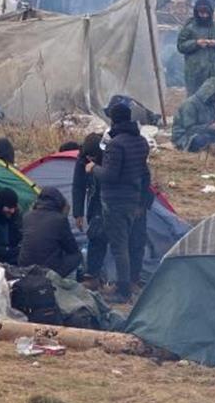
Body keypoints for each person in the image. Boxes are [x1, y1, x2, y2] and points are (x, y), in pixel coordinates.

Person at [88, 104, 151, 302]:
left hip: (115, 202)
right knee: (128, 244)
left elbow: (110, 175)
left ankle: (122, 291)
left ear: (114, 120)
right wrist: (142, 202)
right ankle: (128, 283)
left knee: (119, 246)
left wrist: (93, 168)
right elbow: (144, 174)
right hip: (133, 200)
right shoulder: (141, 142)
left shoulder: (116, 145)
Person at [18, 186, 82, 279]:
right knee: (77, 256)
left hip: (25, 267)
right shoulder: (60, 220)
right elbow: (72, 249)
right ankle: (62, 282)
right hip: (48, 270)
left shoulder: (27, 216)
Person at [70, 133, 108, 288]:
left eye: (94, 157)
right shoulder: (82, 159)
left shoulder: (109, 156)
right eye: (88, 157)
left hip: (112, 201)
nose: (90, 160)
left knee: (117, 240)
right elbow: (78, 186)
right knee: (95, 234)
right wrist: (78, 213)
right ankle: (93, 275)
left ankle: (122, 280)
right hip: (94, 202)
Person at [176, 0, 215, 96]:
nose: (204, 16)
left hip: (213, 71)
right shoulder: (189, 28)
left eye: (207, 13)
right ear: (197, 13)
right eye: (201, 13)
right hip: (194, 72)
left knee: (212, 99)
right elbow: (181, 46)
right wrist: (196, 43)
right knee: (194, 99)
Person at [171, 77, 215, 153]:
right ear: (208, 92)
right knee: (201, 140)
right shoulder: (190, 104)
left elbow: (213, 122)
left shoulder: (211, 105)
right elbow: (189, 129)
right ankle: (213, 147)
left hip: (205, 133)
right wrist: (209, 127)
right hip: (185, 137)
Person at [0, 188, 23, 265]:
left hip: (13, 256)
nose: (12, 211)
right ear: (1, 205)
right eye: (9, 207)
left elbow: (20, 235)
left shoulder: (16, 215)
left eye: (14, 207)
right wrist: (5, 250)